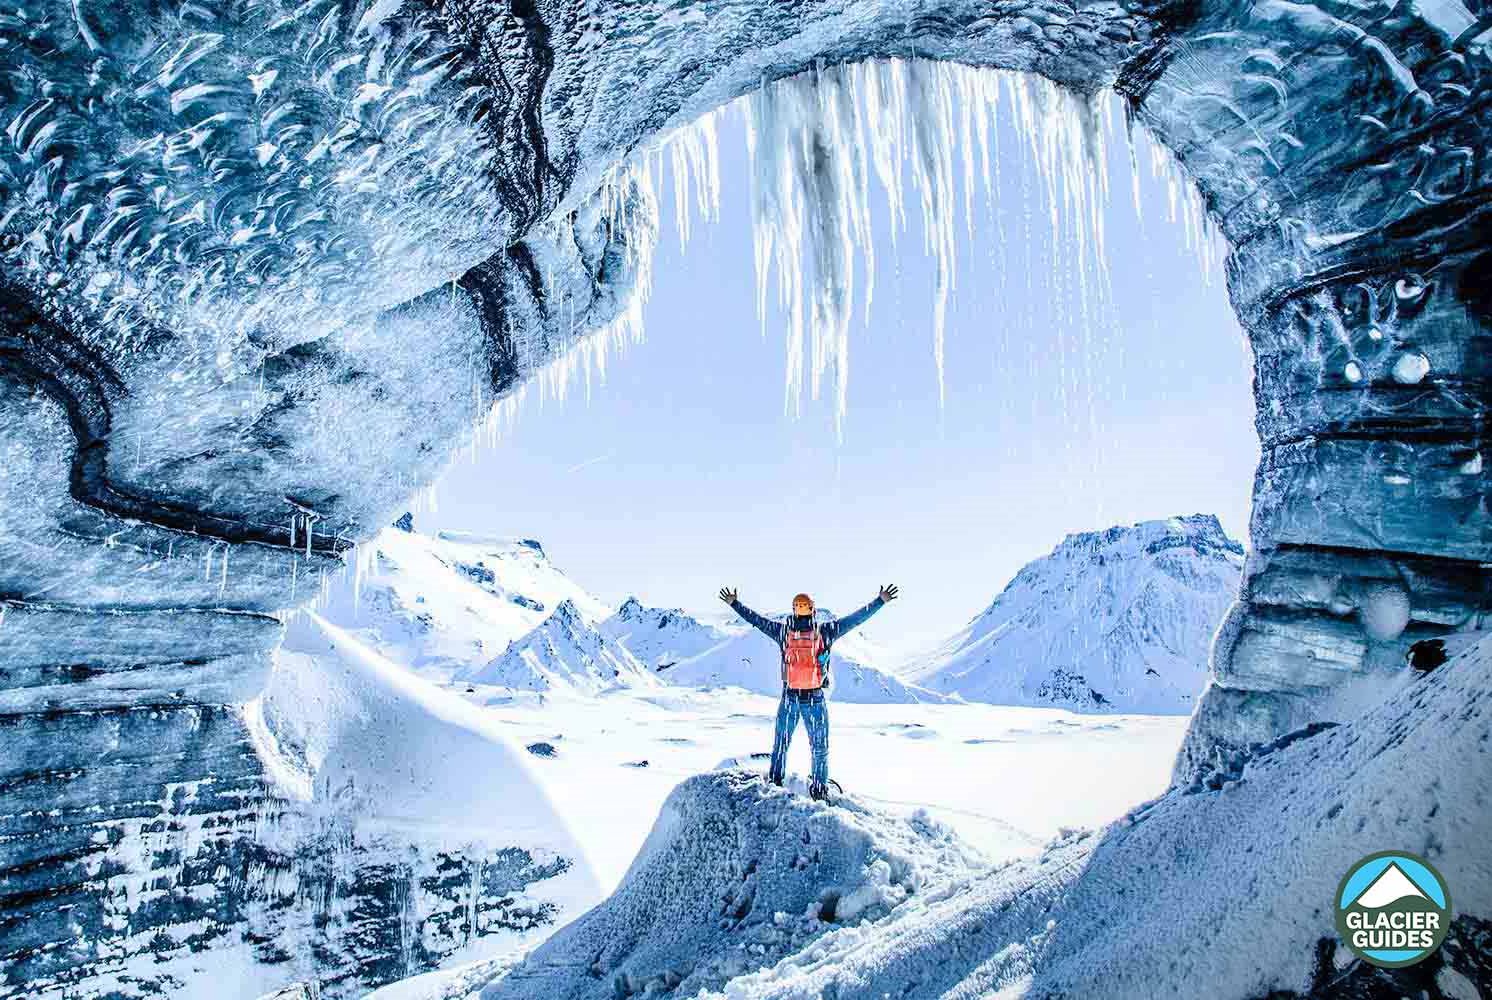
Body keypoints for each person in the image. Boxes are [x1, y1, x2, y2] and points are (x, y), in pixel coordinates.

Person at [718, 585, 899, 802]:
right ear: (812, 610)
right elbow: (855, 620)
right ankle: (819, 790)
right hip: (814, 697)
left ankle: (775, 783)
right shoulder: (826, 631)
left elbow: (756, 620)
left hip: (790, 696)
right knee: (819, 747)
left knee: (781, 744)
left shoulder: (783, 631)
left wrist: (734, 603)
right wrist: (879, 601)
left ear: (794, 611)